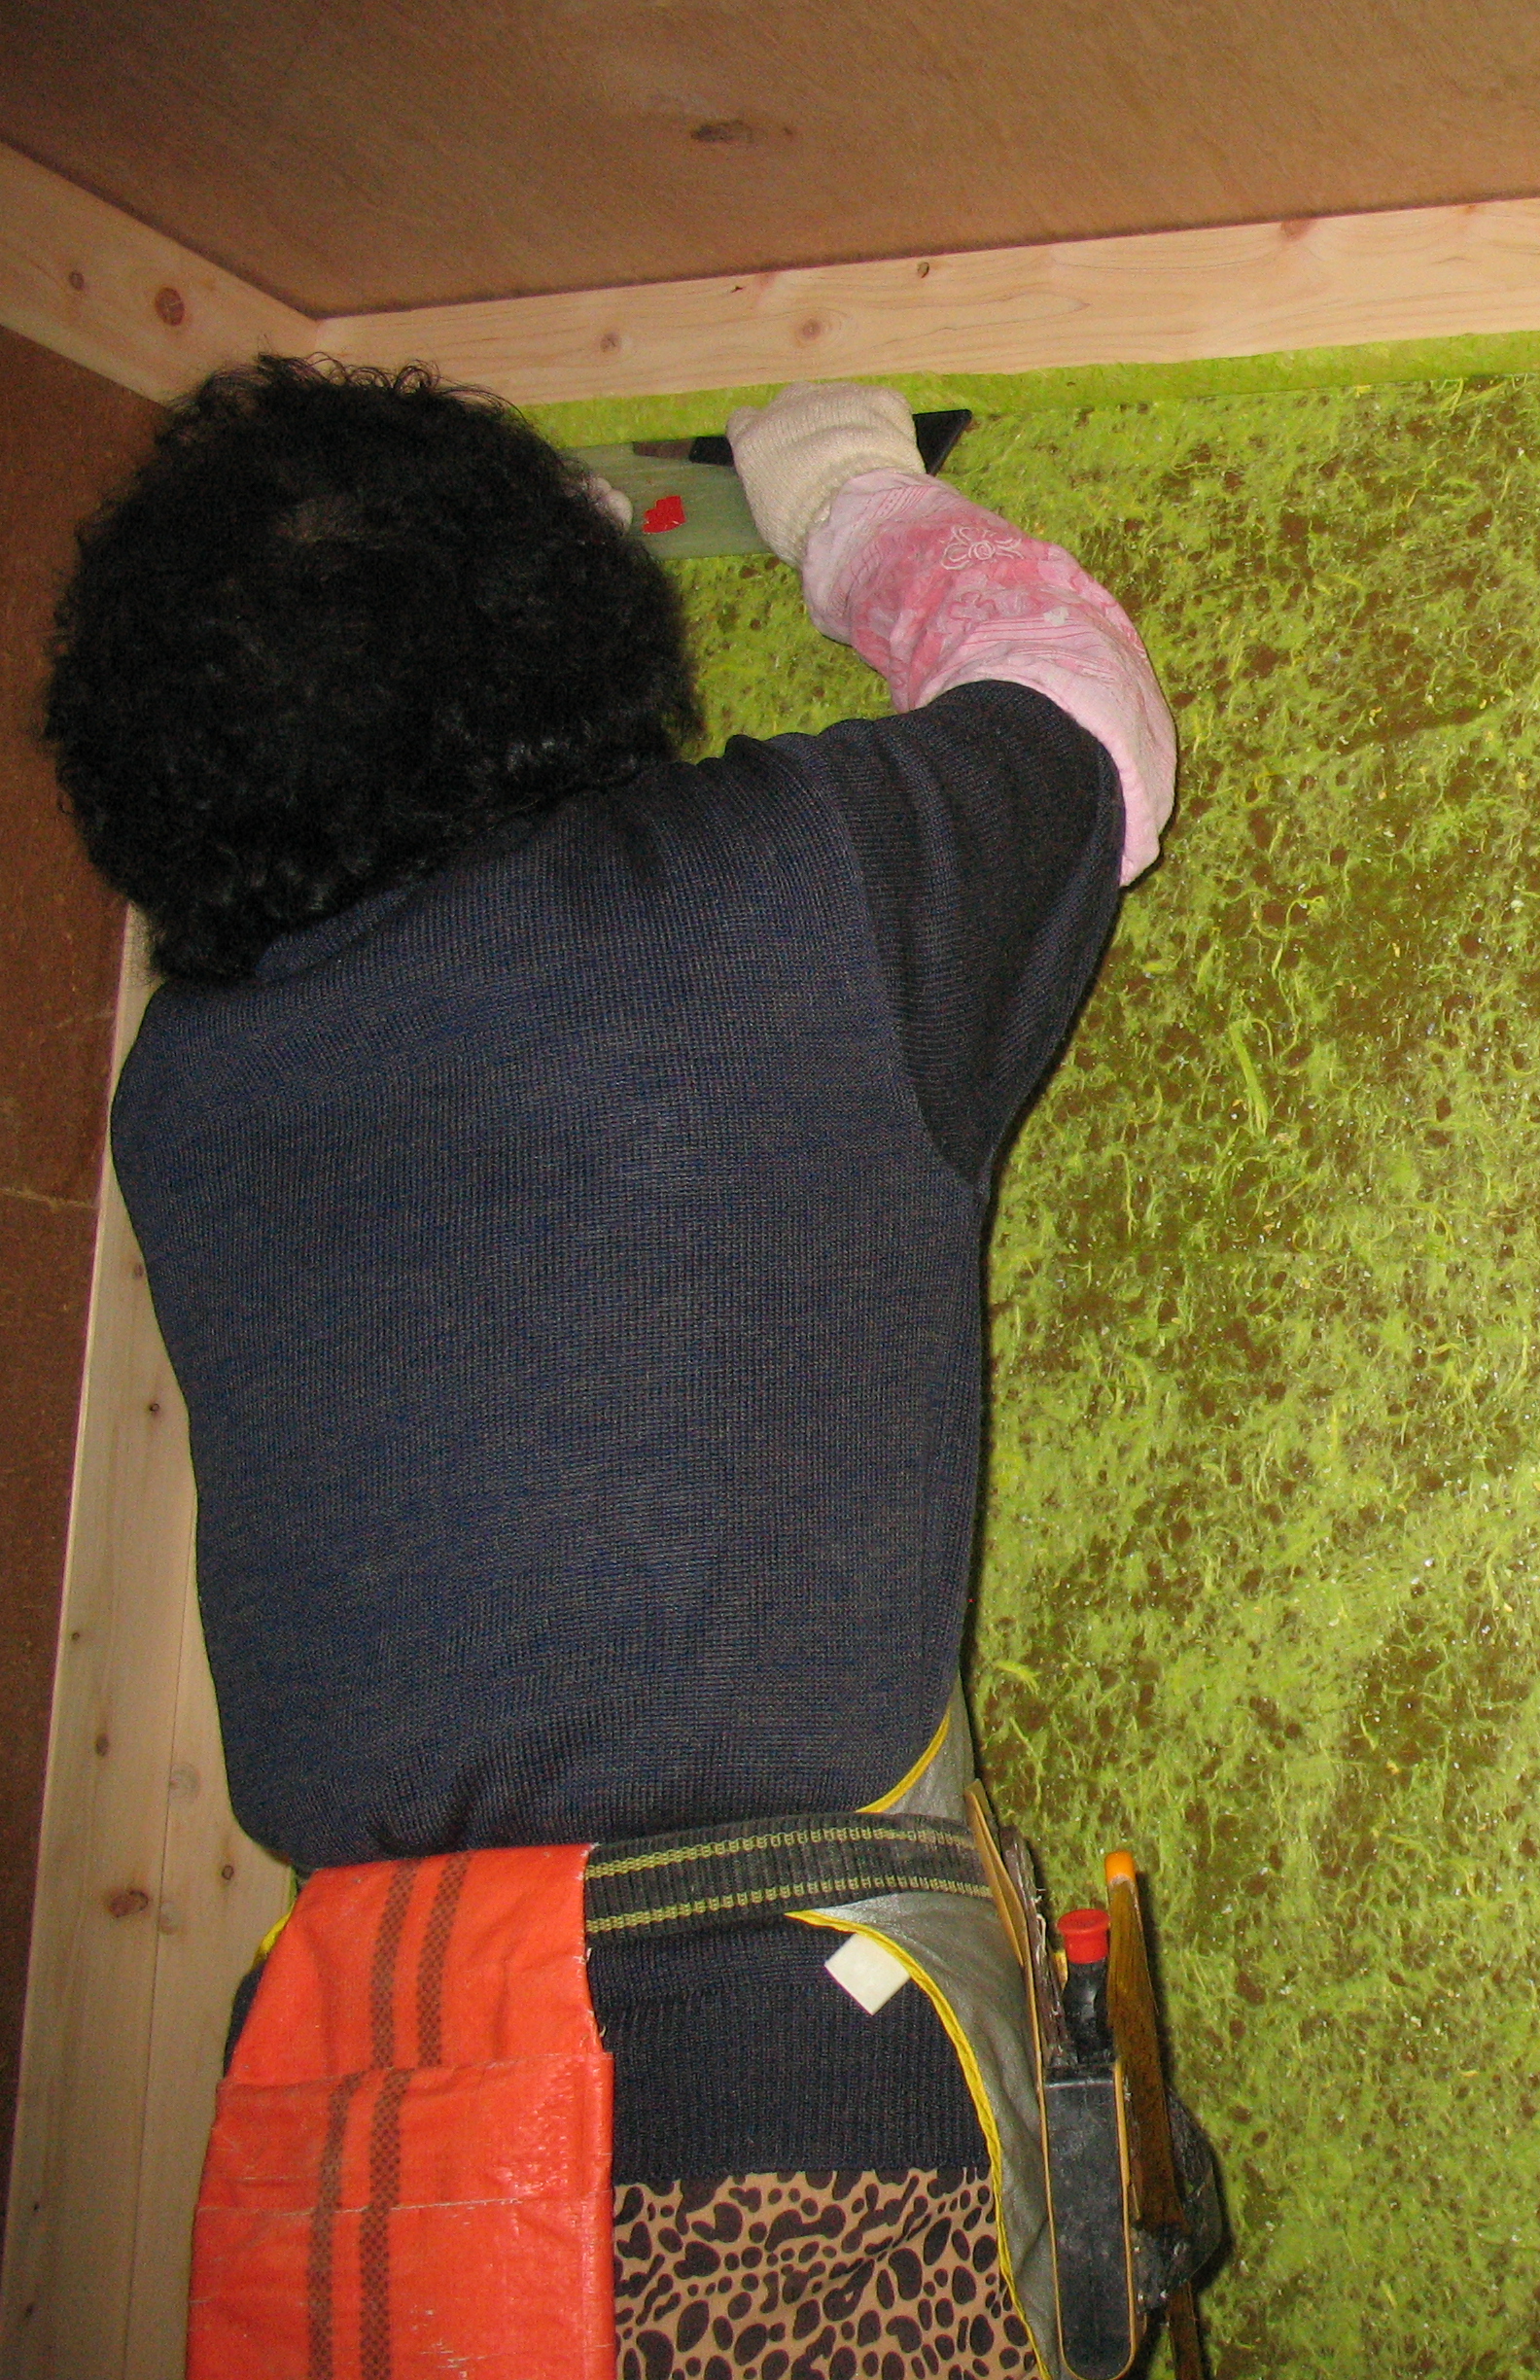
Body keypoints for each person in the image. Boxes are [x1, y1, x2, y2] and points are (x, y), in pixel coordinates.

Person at [47, 358, 1182, 2377]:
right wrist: (842, 492)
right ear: (554, 635)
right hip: (780, 2135)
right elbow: (1080, 712)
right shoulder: (790, 895)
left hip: (348, 2149)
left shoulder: (184, 1100)